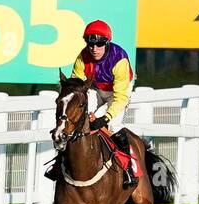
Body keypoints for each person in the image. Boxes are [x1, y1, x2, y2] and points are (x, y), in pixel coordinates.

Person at [45, 19, 139, 187]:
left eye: (100, 44)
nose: (94, 49)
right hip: (94, 89)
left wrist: (106, 117)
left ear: (107, 42)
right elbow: (76, 88)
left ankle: (129, 170)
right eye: (90, 44)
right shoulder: (82, 57)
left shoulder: (120, 60)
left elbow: (120, 98)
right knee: (78, 122)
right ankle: (59, 163)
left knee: (114, 126)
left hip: (118, 93)